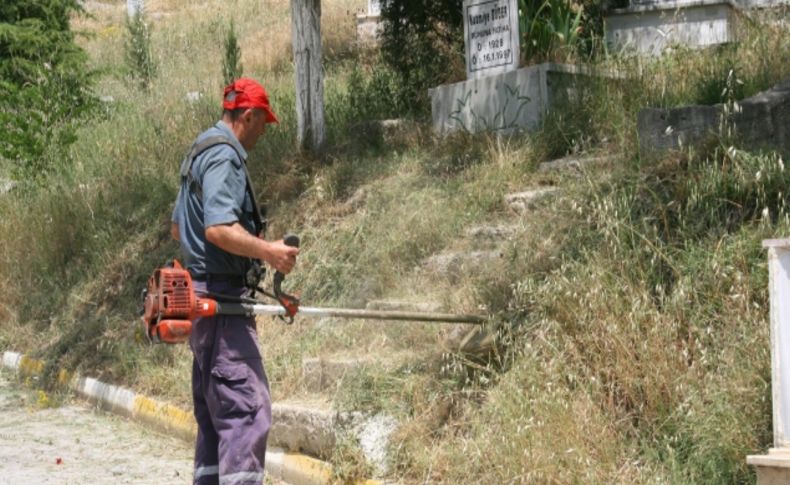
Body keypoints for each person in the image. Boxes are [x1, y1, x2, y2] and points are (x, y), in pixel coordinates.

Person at [170, 77, 299, 485]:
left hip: (202, 303)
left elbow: (179, 229)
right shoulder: (225, 157)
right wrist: (270, 251)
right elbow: (219, 229)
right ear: (249, 115)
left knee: (215, 419)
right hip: (222, 305)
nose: (264, 131)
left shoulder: (200, 149)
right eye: (264, 122)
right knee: (247, 410)